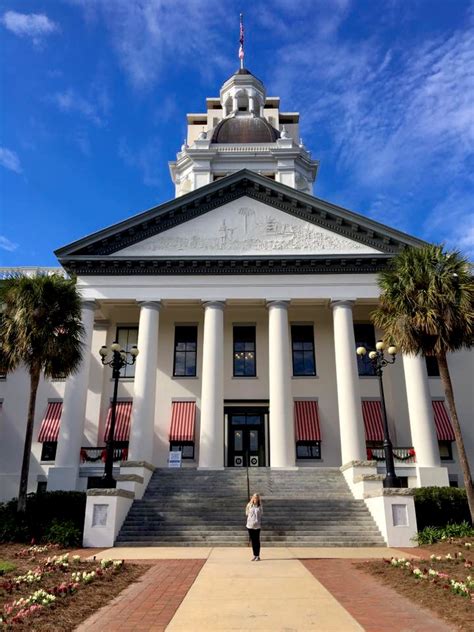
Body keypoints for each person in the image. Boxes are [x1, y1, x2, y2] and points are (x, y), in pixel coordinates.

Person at [246, 493, 262, 561]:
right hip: (250, 525)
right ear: (252, 498)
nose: (255, 499)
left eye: (256, 498)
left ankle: (257, 555)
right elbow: (246, 513)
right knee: (253, 540)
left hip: (257, 526)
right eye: (254, 497)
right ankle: (254, 555)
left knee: (257, 540)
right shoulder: (249, 505)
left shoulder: (259, 506)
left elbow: (261, 514)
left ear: (258, 499)